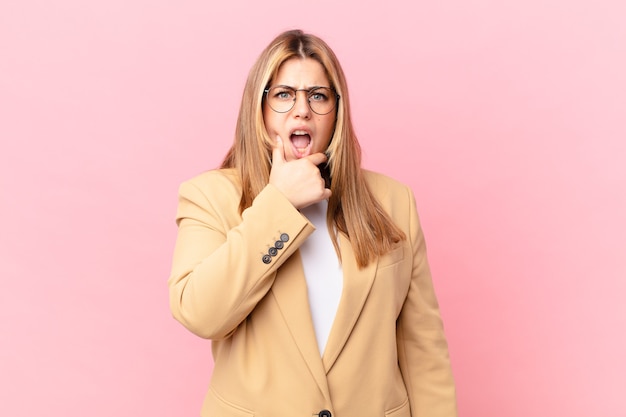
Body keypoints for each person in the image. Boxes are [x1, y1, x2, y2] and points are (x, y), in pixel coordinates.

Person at [168, 29, 457, 417]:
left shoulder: (394, 201)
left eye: (317, 96)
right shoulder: (209, 196)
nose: (301, 109)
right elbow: (200, 312)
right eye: (284, 94)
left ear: (337, 112)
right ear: (260, 108)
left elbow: (424, 352)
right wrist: (280, 204)